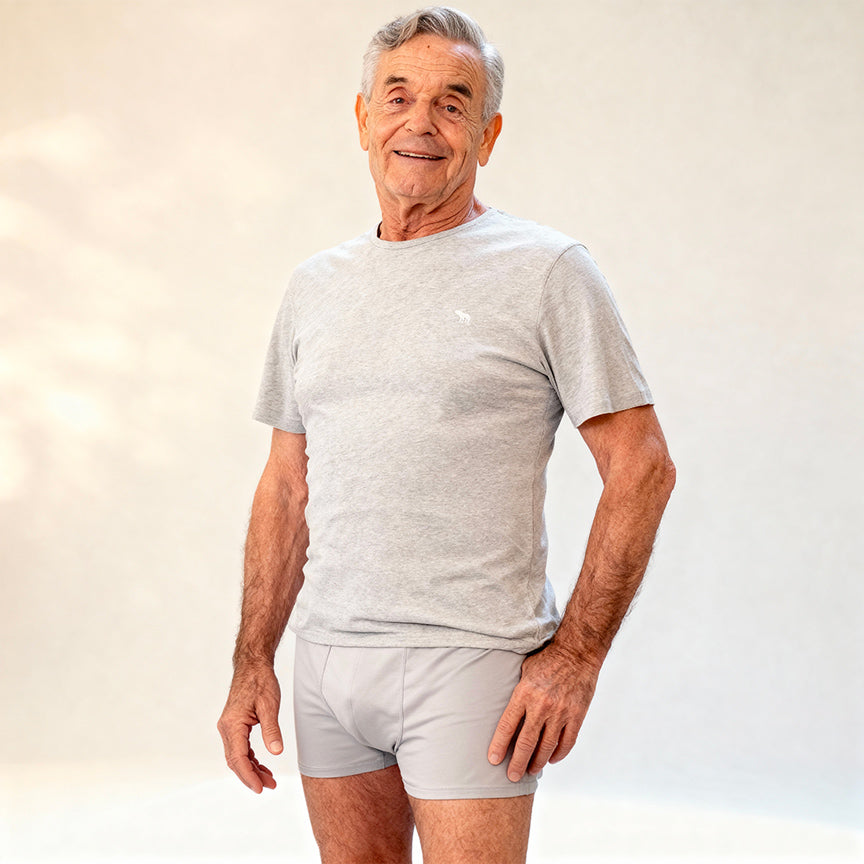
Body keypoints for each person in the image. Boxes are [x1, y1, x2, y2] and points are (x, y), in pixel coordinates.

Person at [217, 7, 675, 863]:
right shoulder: (314, 287)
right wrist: (252, 661)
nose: (420, 123)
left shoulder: (546, 270)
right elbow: (285, 483)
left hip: (471, 662)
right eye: (398, 97)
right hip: (328, 661)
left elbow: (642, 467)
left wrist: (576, 658)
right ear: (363, 120)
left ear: (488, 134)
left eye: (453, 103)